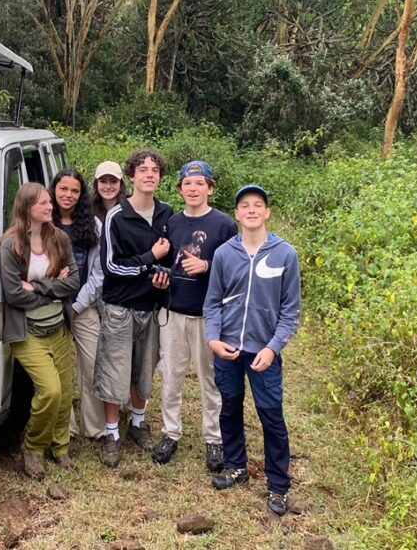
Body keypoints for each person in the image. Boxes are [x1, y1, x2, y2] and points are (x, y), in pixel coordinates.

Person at [203, 184, 301, 516]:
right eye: (245, 205)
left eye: (258, 205)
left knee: (271, 416)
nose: (252, 210)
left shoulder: (285, 254)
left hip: (263, 353)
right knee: (229, 408)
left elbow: (290, 312)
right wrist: (213, 339)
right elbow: (212, 303)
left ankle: (278, 484)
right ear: (237, 214)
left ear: (267, 212)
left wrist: (273, 349)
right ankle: (235, 465)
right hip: (228, 348)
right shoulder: (223, 254)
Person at [151, 161, 237, 472]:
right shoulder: (172, 222)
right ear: (180, 188)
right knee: (171, 376)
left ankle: (213, 439)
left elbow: (236, 269)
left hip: (209, 315)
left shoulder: (224, 225)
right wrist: (160, 280)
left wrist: (207, 266)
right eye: (188, 183)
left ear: (210, 188)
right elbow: (167, 264)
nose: (193, 188)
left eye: (200, 183)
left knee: (209, 379)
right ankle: (170, 432)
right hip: (172, 311)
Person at [94, 149, 173, 468]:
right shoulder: (117, 216)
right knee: (115, 370)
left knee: (144, 369)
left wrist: (163, 276)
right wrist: (149, 259)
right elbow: (111, 266)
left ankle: (137, 423)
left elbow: (172, 260)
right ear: (132, 177)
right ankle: (111, 434)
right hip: (119, 306)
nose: (149, 174)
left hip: (151, 308)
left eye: (155, 170)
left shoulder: (168, 215)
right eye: (143, 170)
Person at [0, 182, 80, 480]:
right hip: (28, 331)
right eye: (43, 203)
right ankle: (33, 448)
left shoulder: (58, 238)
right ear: (26, 208)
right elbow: (13, 294)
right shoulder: (11, 245)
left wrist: (37, 286)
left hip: (58, 327)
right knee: (50, 391)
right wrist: (53, 289)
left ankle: (60, 448)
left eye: (49, 202)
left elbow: (74, 282)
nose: (50, 206)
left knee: (65, 393)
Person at [49, 168, 106, 441]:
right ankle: (65, 429)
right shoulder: (44, 223)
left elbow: (99, 273)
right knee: (60, 370)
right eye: (63, 189)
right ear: (54, 190)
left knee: (92, 365)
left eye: (74, 190)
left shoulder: (94, 226)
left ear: (81, 195)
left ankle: (94, 428)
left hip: (84, 307)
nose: (68, 195)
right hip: (50, 308)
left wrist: (78, 305)